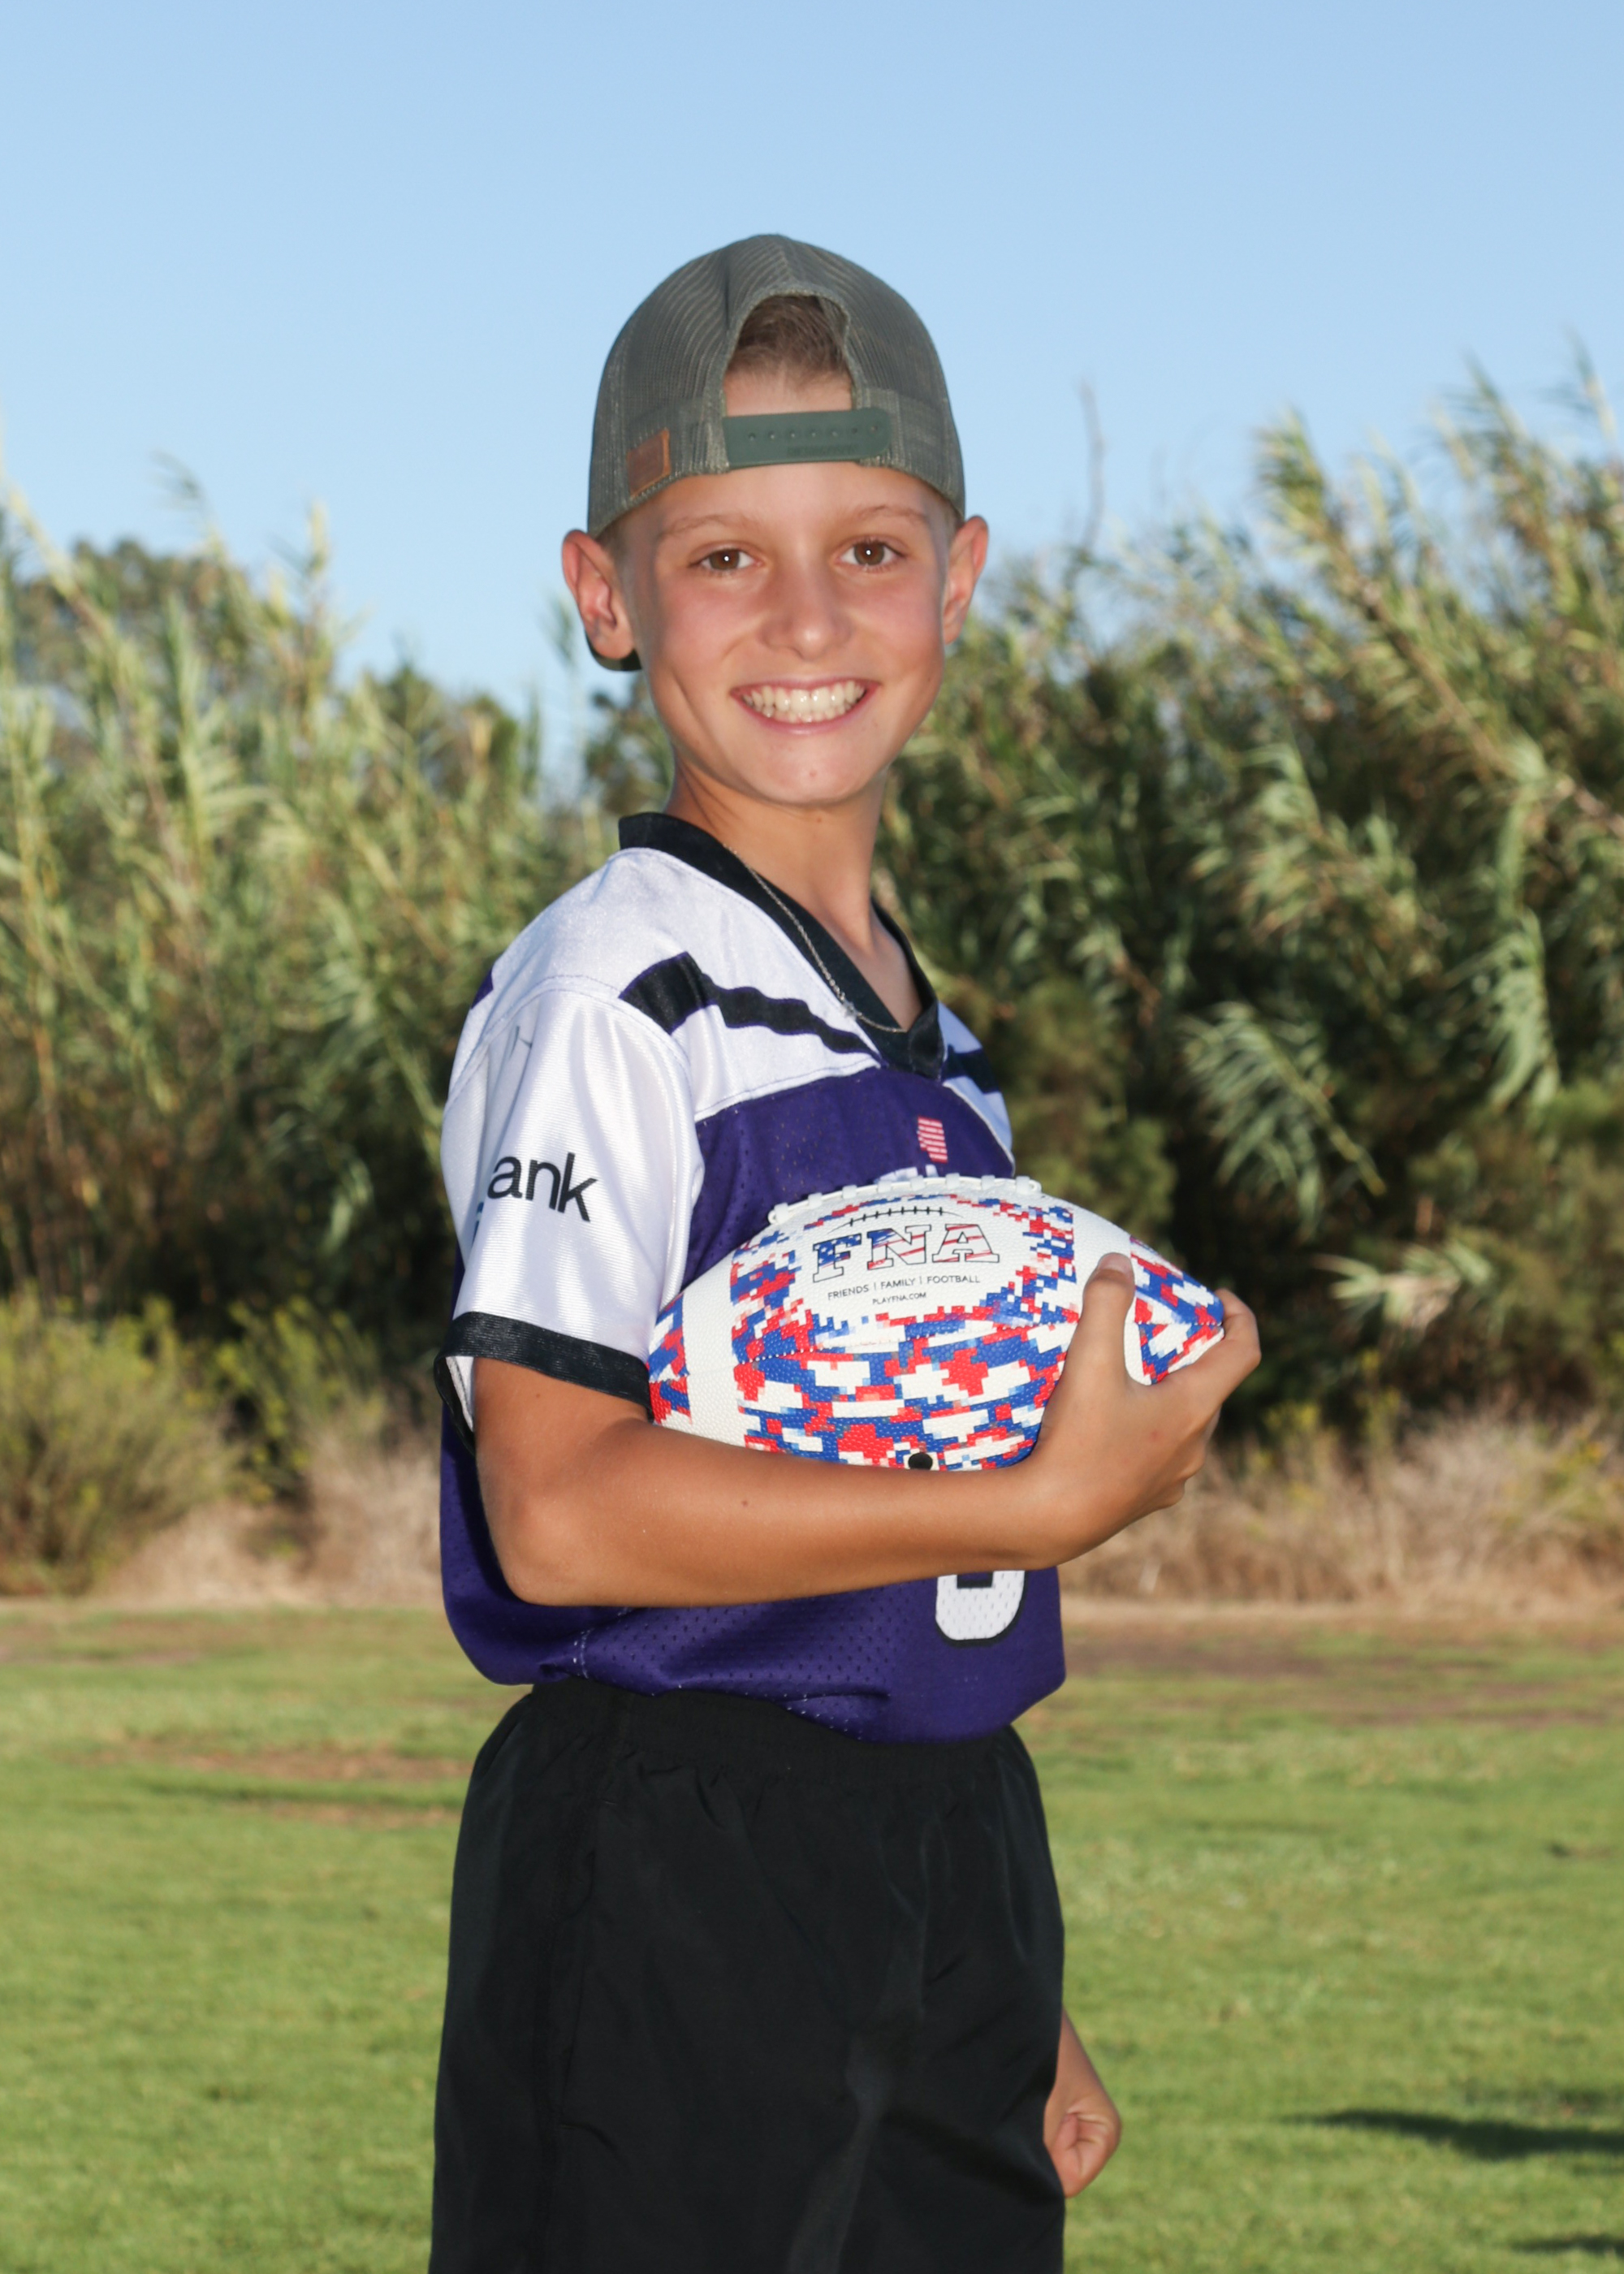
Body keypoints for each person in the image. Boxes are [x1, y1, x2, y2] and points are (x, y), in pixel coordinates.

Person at [428, 235, 1259, 2274]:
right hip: (674, 1847)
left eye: (868, 551)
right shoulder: (614, 991)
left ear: (956, 579)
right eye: (723, 557)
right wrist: (1033, 1500)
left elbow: (895, 1541)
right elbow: (557, 1505)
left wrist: (1000, 1959)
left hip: (940, 1852)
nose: (805, 619)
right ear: (606, 595)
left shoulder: (935, 1048)